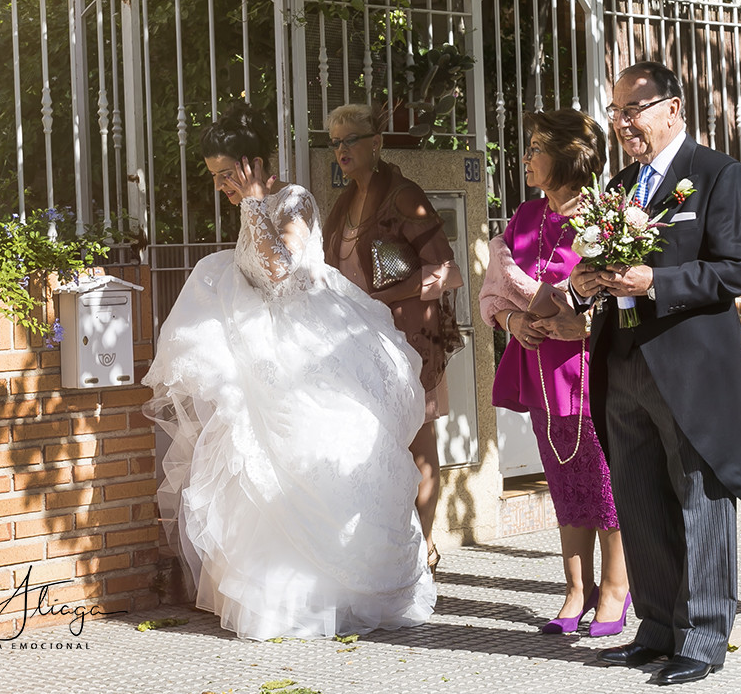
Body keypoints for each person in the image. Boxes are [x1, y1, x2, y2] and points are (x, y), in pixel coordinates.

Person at [143, 103, 435, 640]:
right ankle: (277, 598)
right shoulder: (251, 207)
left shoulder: (292, 201)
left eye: (228, 174)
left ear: (255, 165)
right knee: (252, 461)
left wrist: (254, 205)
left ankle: (339, 594)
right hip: (261, 354)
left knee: (317, 456)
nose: (223, 186)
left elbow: (281, 273)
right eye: (216, 177)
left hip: (306, 351)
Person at [569, 62, 741, 685]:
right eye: (616, 111)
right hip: (621, 361)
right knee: (638, 496)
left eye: (635, 109)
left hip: (688, 370)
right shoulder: (620, 186)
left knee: (700, 499)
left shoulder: (717, 176)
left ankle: (704, 637)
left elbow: (736, 270)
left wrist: (657, 282)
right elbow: (599, 259)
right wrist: (586, 281)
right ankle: (655, 629)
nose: (623, 123)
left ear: (673, 108)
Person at [479, 108, 630, 638]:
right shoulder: (523, 217)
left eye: (537, 147)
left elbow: (622, 298)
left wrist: (582, 327)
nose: (525, 157)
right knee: (563, 478)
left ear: (569, 155)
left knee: (606, 481)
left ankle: (615, 587)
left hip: (595, 367)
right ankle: (575, 587)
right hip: (541, 369)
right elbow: (493, 291)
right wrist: (513, 319)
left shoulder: (609, 218)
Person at [321, 103, 464, 577]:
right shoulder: (342, 205)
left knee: (417, 441)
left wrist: (380, 295)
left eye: (351, 139)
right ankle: (386, 547)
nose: (341, 149)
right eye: (334, 141)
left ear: (376, 143)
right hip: (360, 345)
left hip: (409, 342)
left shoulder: (403, 196)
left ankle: (425, 547)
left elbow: (449, 272)